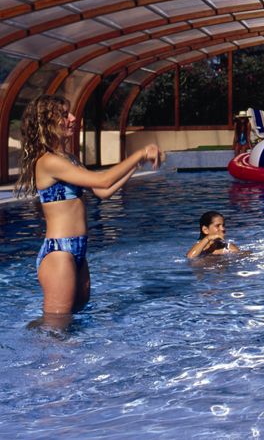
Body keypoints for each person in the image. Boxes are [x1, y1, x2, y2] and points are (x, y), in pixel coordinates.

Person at [13, 94, 161, 315]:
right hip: (59, 253)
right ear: (47, 122)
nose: (73, 118)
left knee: (78, 317)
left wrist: (136, 165)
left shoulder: (70, 159)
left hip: (78, 251)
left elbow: (103, 191)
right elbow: (103, 180)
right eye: (64, 115)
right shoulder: (48, 161)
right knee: (57, 329)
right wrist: (139, 153)